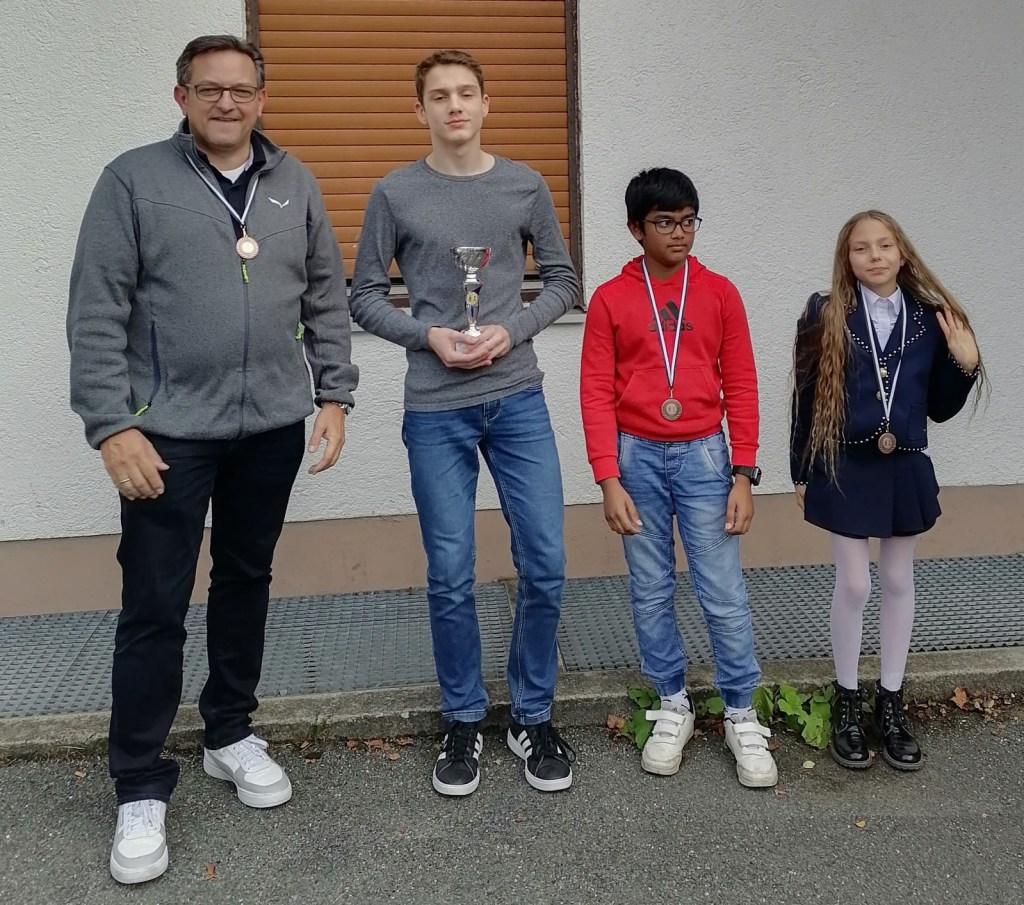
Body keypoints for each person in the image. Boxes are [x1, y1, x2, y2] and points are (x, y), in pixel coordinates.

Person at [67, 35, 357, 884]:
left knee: (244, 579)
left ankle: (230, 731)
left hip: (269, 428)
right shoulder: (133, 180)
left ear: (262, 98)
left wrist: (333, 393)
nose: (226, 102)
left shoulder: (294, 181)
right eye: (209, 89)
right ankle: (139, 781)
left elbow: (325, 293)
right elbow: (96, 309)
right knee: (154, 602)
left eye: (241, 90)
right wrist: (111, 425)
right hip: (167, 433)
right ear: (182, 97)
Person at [350, 49, 579, 797]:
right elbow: (363, 296)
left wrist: (513, 328)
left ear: (486, 104)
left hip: (517, 399)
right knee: (450, 572)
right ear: (419, 109)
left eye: (467, 93)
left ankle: (532, 714)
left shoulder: (525, 184)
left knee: (545, 560)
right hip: (436, 406)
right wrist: (428, 336)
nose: (455, 106)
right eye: (440, 95)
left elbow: (564, 282)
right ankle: (463, 717)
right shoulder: (394, 193)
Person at [580, 167, 778, 788]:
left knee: (722, 589)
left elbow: (741, 382)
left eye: (689, 220)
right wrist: (607, 478)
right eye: (665, 222)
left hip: (705, 457)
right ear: (635, 229)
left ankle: (741, 711)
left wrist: (743, 473)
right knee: (650, 587)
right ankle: (672, 702)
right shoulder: (610, 299)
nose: (680, 233)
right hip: (635, 457)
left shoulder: (719, 293)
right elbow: (594, 391)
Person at [790, 209, 982, 772]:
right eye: (860, 248)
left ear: (902, 253)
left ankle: (891, 703)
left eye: (884, 245)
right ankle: (847, 701)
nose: (874, 256)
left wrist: (965, 366)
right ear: (846, 258)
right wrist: (800, 470)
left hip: (904, 466)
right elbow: (806, 395)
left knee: (898, 579)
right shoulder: (825, 312)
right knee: (854, 583)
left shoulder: (929, 317)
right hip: (844, 464)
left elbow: (940, 407)